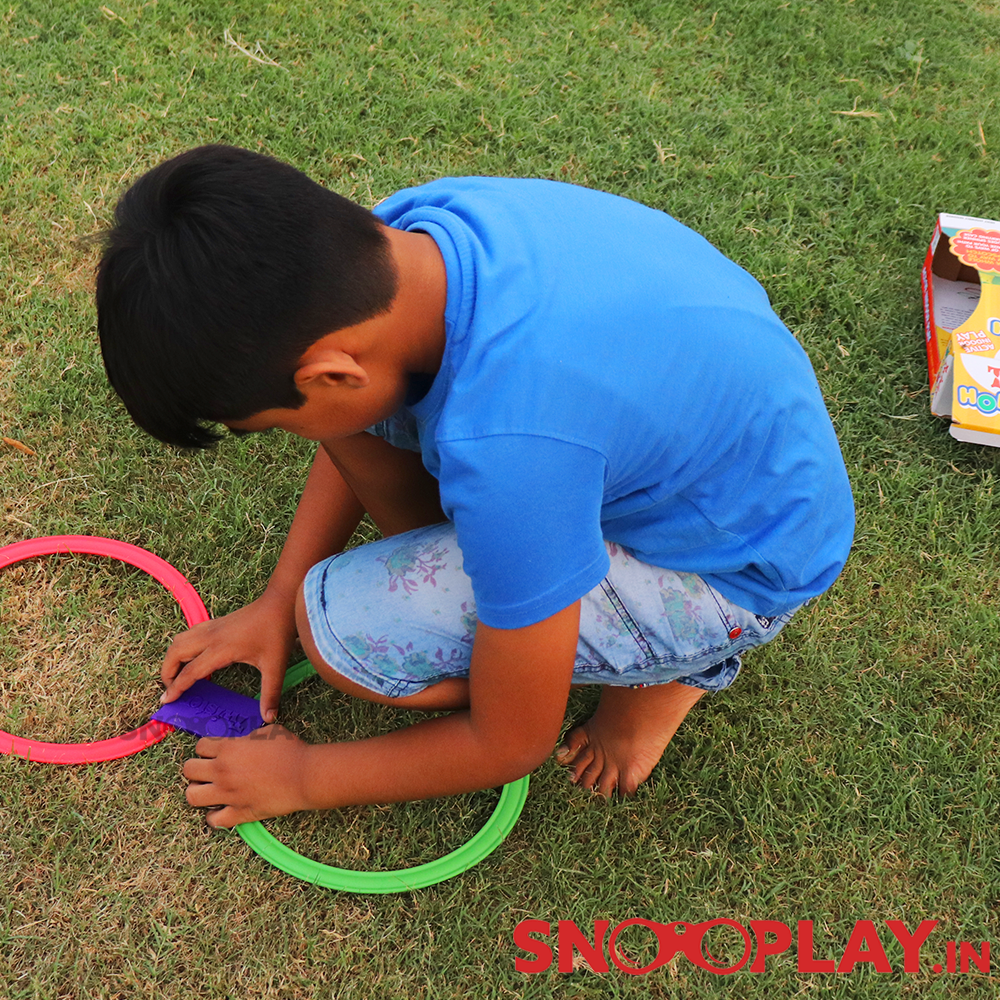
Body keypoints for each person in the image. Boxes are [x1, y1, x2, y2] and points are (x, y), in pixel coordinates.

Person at [96, 145, 854, 828]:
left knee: (341, 631)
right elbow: (351, 420)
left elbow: (510, 740)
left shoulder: (513, 451)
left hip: (737, 566)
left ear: (331, 372)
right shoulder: (412, 235)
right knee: (359, 434)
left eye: (269, 425)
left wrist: (303, 776)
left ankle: (688, 664)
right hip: (718, 459)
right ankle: (558, 606)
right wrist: (274, 601)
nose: (285, 438)